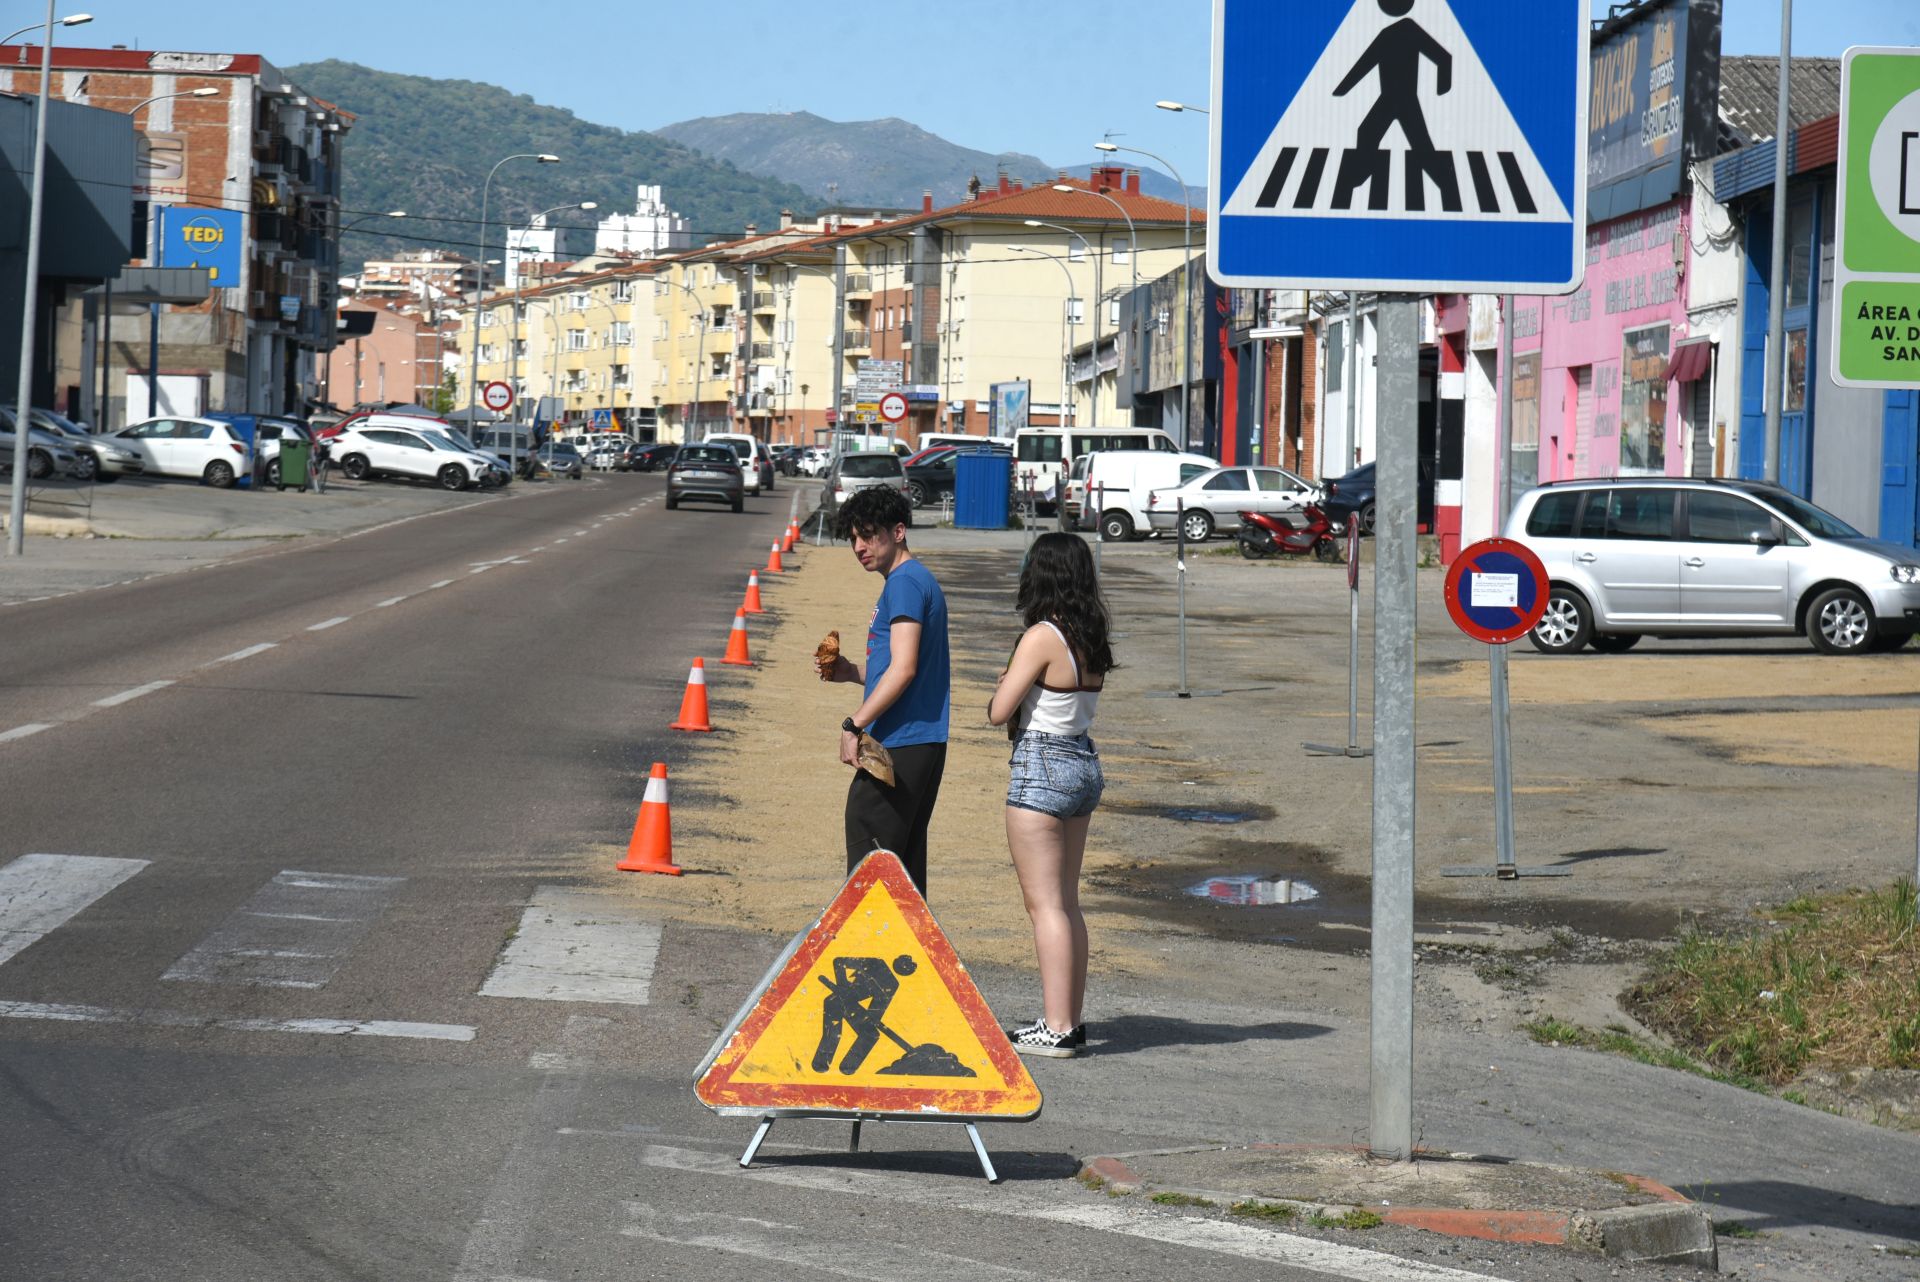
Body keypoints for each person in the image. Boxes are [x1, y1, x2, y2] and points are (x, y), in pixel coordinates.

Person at [987, 532, 1113, 1058]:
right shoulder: (1091, 633)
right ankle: (1069, 1018)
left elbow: (999, 711)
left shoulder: (1042, 635)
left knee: (1044, 907)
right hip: (1081, 760)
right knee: (1066, 902)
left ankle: (1057, 1026)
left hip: (1041, 763)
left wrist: (1002, 683)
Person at [816, 484, 950, 896]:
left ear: (897, 531)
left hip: (902, 743)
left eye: (868, 534)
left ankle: (870, 955)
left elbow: (905, 668)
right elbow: (902, 666)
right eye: (853, 538)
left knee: (870, 862)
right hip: (919, 741)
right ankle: (907, 955)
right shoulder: (910, 580)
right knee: (901, 872)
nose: (859, 546)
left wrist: (853, 724)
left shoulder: (905, 583)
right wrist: (853, 671)